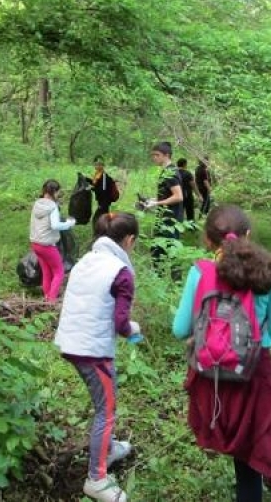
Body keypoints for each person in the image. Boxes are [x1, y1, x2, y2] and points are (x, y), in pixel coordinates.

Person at [172, 204, 271, 502]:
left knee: (226, 430)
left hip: (210, 375)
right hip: (252, 376)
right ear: (248, 235)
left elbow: (180, 330)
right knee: (249, 451)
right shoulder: (266, 276)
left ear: (207, 240)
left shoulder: (198, 273)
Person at [54, 212, 141, 502]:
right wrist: (134, 330)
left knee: (102, 404)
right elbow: (121, 323)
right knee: (107, 409)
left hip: (71, 341)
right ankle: (97, 478)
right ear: (128, 240)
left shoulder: (86, 260)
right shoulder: (120, 271)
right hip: (93, 351)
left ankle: (108, 447)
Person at [29, 179, 77, 303]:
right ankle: (51, 301)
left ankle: (46, 297)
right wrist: (69, 224)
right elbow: (55, 225)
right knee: (59, 271)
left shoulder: (37, 203)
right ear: (54, 191)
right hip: (46, 245)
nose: (58, 195)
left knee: (46, 271)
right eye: (58, 192)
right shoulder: (52, 207)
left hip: (35, 243)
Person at [144, 141, 183, 276]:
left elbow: (178, 196)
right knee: (157, 249)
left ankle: (176, 282)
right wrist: (154, 201)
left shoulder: (171, 172)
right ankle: (158, 277)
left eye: (157, 155)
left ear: (166, 155)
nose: (154, 157)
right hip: (164, 217)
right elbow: (169, 195)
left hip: (171, 219)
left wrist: (157, 204)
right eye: (153, 155)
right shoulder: (166, 171)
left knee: (170, 250)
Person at [91, 156, 118, 227]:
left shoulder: (104, 176)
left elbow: (103, 191)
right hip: (101, 201)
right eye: (96, 164)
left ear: (103, 166)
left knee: (97, 218)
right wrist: (86, 179)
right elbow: (95, 184)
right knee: (104, 217)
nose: (97, 166)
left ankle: (105, 230)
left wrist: (92, 188)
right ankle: (108, 229)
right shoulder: (97, 174)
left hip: (104, 201)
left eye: (99, 164)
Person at [176, 158, 197, 223]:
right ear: (185, 164)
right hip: (187, 195)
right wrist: (198, 194)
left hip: (177, 195)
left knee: (179, 211)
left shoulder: (174, 173)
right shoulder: (187, 173)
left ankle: (178, 226)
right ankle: (191, 226)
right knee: (190, 211)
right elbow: (193, 185)